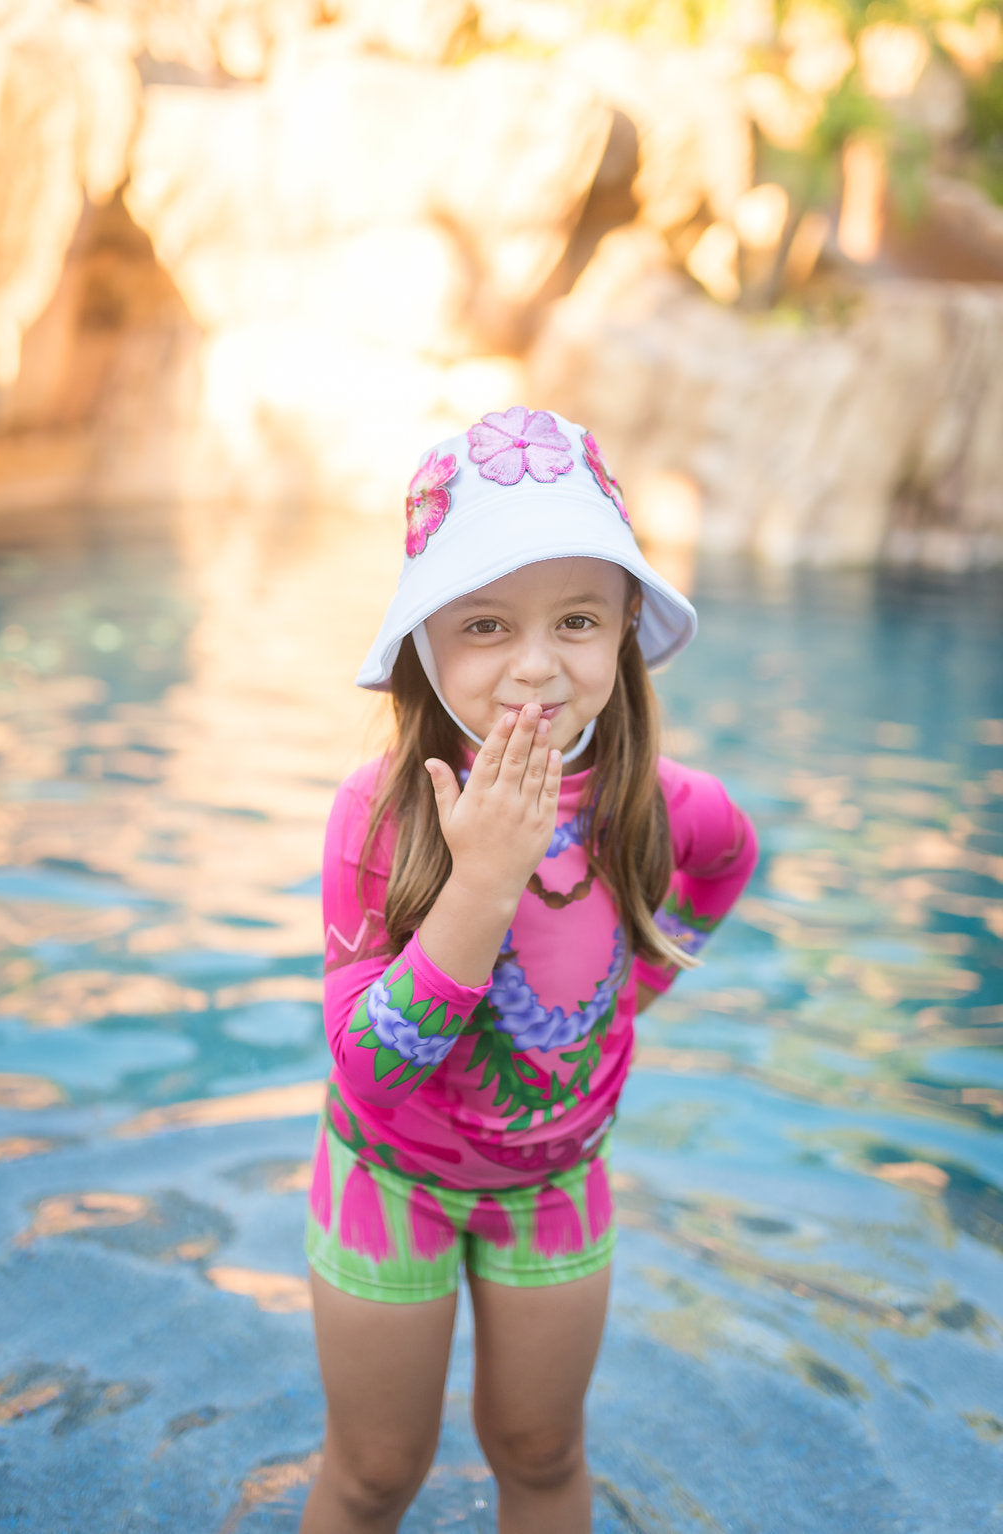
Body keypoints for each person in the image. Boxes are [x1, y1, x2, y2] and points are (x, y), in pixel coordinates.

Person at [299, 406, 758, 1534]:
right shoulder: (383, 812)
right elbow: (366, 1074)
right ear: (425, 642)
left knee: (544, 1450)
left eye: (578, 620)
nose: (538, 666)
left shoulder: (654, 804)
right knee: (373, 1474)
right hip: (389, 1180)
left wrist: (633, 989)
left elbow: (726, 859)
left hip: (554, 1183)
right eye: (489, 624)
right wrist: (481, 887)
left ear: (623, 629)